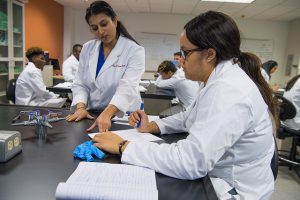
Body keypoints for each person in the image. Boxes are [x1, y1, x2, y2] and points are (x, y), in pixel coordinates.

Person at [93, 11, 275, 199]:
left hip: (234, 188)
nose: (180, 61)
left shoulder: (228, 91)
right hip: (218, 174)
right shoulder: (216, 80)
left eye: (185, 53)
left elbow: (190, 162)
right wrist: (152, 126)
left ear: (210, 54)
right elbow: (189, 117)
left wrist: (124, 146)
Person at [66, 1, 145, 133]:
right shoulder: (88, 48)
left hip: (124, 116)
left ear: (114, 20)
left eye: (104, 24)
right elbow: (80, 83)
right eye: (94, 28)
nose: (101, 32)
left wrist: (107, 113)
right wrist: (80, 108)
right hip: (94, 113)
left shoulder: (134, 50)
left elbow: (127, 87)